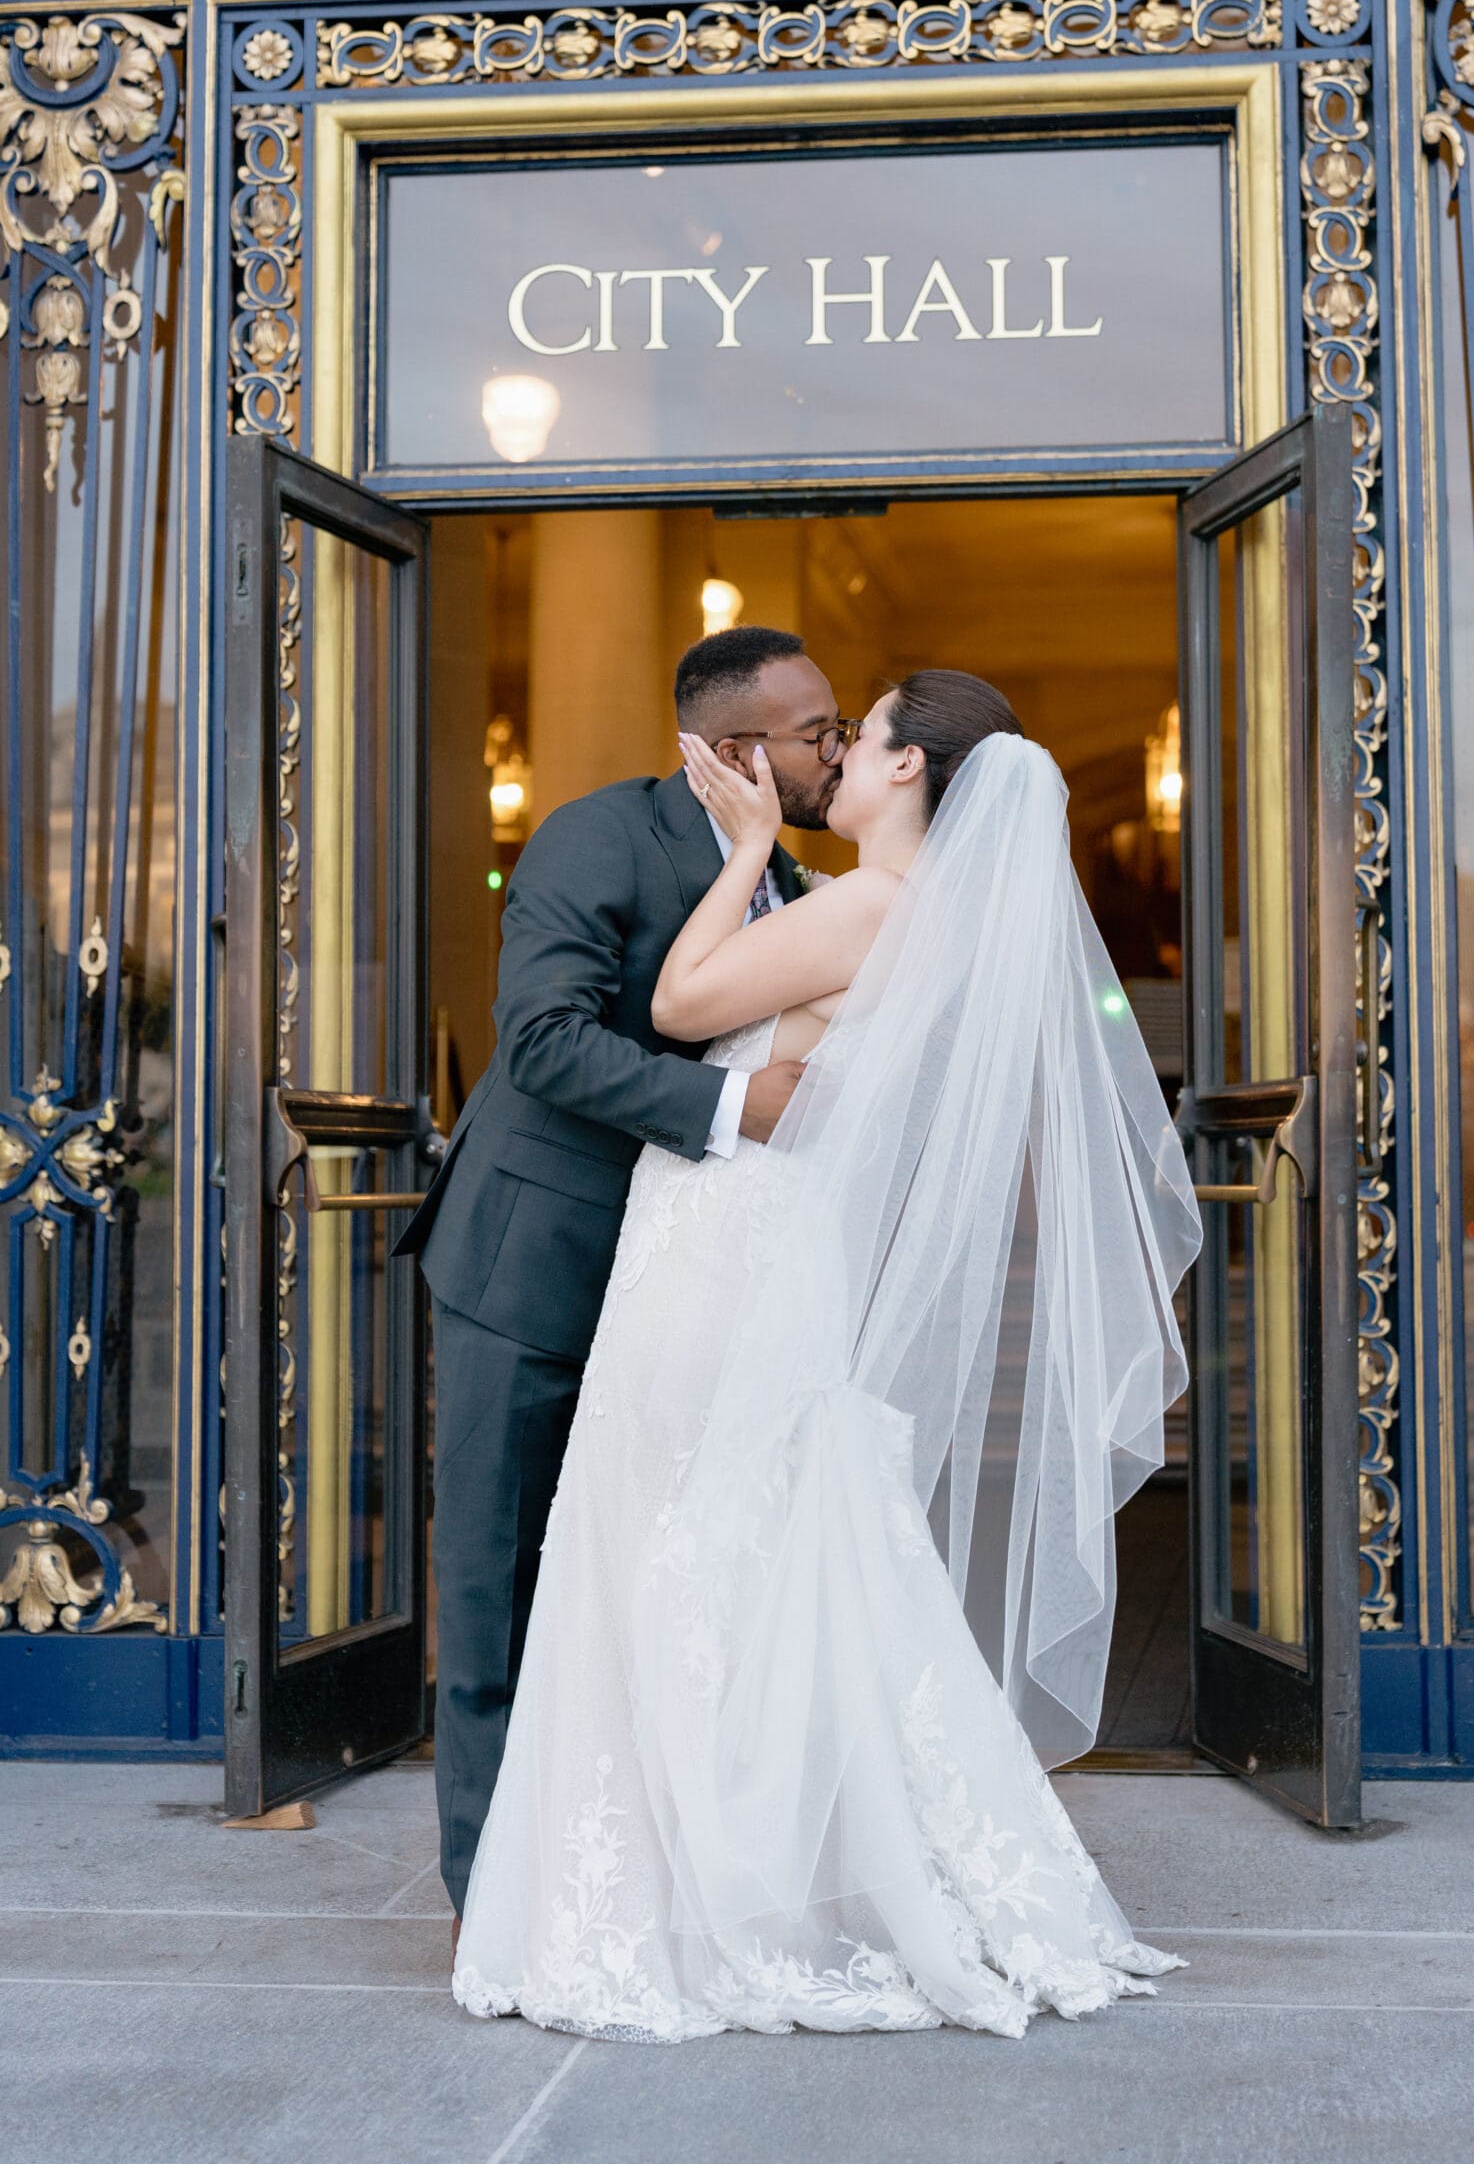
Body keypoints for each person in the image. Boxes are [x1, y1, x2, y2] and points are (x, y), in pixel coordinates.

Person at [451, 667, 1200, 2039]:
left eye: (867, 737)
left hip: (722, 1247)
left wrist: (742, 852)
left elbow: (680, 1007)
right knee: (757, 1554)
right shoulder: (925, 916)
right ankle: (745, 1864)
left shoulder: (864, 900)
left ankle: (689, 1885)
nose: (843, 756)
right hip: (763, 1246)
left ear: (910, 773)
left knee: (665, 1544)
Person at [394, 627, 855, 1935]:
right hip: (534, 1267)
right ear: (727, 750)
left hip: (687, 1292)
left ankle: (619, 1869)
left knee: (634, 1586)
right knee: (498, 1584)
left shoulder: (801, 881)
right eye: (814, 729)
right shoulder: (598, 836)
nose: (833, 747)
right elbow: (540, 1040)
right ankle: (488, 1899)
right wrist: (735, 1107)